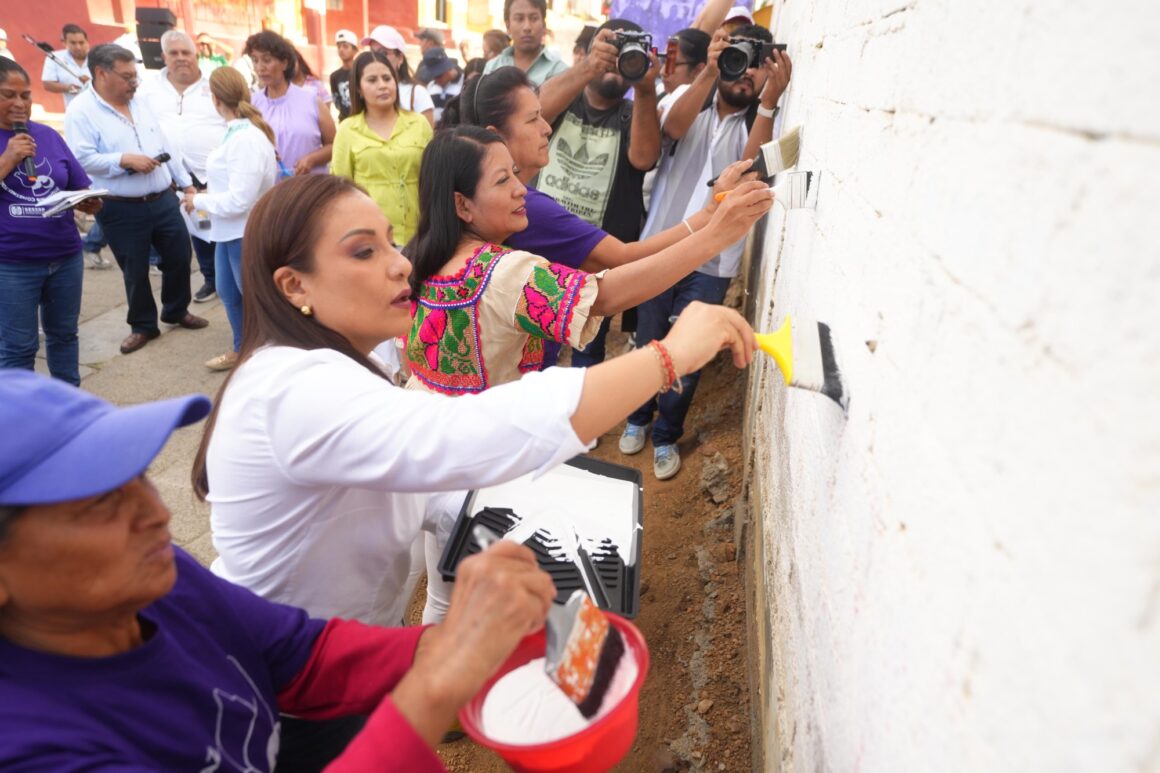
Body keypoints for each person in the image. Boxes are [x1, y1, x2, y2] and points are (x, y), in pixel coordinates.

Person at [192, 173, 756, 765]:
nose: (400, 265)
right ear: (293, 285)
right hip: (286, 695)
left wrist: (547, 569)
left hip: (350, 662)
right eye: (364, 251)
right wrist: (668, 357)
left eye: (391, 241)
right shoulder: (288, 388)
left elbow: (445, 484)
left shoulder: (357, 365)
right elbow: (459, 437)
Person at [0, 369, 562, 771]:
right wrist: (442, 679)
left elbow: (297, 652)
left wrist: (467, 643)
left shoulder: (155, 584)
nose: (158, 513)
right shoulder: (31, 746)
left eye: (140, 478)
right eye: (101, 503)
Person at [404, 125, 769, 394]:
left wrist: (708, 220)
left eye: (515, 173)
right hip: (477, 461)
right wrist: (716, 235)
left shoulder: (420, 258)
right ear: (462, 204)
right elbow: (605, 295)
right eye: (502, 180)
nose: (520, 189)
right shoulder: (502, 272)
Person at [451, 67, 756, 369]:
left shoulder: (481, 223)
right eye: (533, 119)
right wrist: (712, 223)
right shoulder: (529, 211)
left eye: (543, 115)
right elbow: (614, 278)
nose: (547, 128)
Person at [622, 25, 792, 480]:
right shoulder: (685, 106)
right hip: (661, 246)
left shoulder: (757, 122)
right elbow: (671, 128)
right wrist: (711, 71)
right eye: (738, 62)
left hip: (713, 263)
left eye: (754, 69)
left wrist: (770, 102)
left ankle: (665, 435)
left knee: (690, 353)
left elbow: (749, 171)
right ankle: (637, 418)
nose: (744, 76)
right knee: (648, 341)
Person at [64, 44, 209, 356]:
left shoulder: (141, 103)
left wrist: (186, 184)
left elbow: (165, 144)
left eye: (136, 76)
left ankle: (175, 309)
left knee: (179, 256)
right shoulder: (80, 111)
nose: (134, 83)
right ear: (101, 73)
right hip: (120, 205)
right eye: (127, 77)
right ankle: (143, 325)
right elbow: (81, 158)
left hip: (162, 197)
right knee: (134, 268)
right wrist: (124, 159)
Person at [533, 19, 662, 367]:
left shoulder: (634, 113)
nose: (617, 64)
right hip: (540, 246)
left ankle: (581, 419)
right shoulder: (563, 100)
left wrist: (646, 90)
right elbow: (534, 112)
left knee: (588, 346)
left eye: (627, 57)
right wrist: (589, 67)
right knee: (531, 340)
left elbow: (645, 157)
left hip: (596, 256)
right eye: (611, 51)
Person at [0, 59, 101, 385]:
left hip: (65, 255)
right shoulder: (13, 146)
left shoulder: (47, 136)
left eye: (25, 95)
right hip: (12, 264)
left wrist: (87, 200)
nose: (19, 104)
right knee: (18, 346)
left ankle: (68, 406)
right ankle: (20, 419)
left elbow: (75, 183)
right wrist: (8, 159)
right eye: (8, 95)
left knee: (64, 335)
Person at [183, 66, 277, 372]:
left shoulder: (246, 138)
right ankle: (243, 348)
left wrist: (198, 200)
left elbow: (240, 199)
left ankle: (265, 354)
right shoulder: (236, 133)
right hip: (227, 231)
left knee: (252, 297)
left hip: (244, 230)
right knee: (228, 291)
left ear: (215, 99)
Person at [137, 29, 227, 304]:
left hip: (214, 176)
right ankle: (210, 279)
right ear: (163, 56)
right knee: (194, 228)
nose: (180, 59)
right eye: (173, 53)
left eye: (186, 52)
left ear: (196, 55)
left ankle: (226, 279)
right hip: (171, 178)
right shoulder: (148, 90)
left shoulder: (215, 85)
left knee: (221, 229)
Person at [331, 51, 432, 247]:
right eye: (372, 80)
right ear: (358, 89)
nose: (382, 85)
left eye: (387, 78)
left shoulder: (418, 123)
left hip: (419, 235)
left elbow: (434, 179)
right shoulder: (347, 130)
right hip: (371, 238)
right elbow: (340, 188)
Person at [245, 31, 335, 176]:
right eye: (255, 60)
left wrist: (312, 159)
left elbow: (334, 145)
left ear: (285, 63)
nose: (260, 67)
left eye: (267, 60)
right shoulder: (252, 104)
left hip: (309, 189)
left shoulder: (311, 99)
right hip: (270, 192)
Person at [362, 25, 435, 128]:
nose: (377, 59)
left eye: (383, 53)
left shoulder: (418, 94)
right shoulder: (366, 90)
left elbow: (427, 138)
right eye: (372, 54)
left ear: (400, 58)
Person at [482, 0, 569, 86]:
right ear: (508, 26)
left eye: (534, 18)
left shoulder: (560, 71)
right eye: (519, 19)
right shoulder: (493, 68)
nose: (527, 27)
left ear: (544, 25)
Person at [41, 23, 91, 108]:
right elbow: (47, 84)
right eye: (73, 43)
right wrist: (67, 88)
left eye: (81, 43)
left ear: (87, 42)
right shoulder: (54, 58)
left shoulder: (99, 57)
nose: (78, 47)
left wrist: (91, 82)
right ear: (64, 42)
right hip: (74, 110)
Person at [419, 48, 462, 125]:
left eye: (439, 75)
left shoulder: (464, 83)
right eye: (432, 75)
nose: (435, 79)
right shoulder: (431, 86)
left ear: (448, 68)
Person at [329, 29, 359, 121]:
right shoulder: (334, 76)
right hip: (344, 121)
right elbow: (336, 101)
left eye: (345, 46)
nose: (341, 50)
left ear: (355, 50)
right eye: (339, 46)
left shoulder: (361, 72)